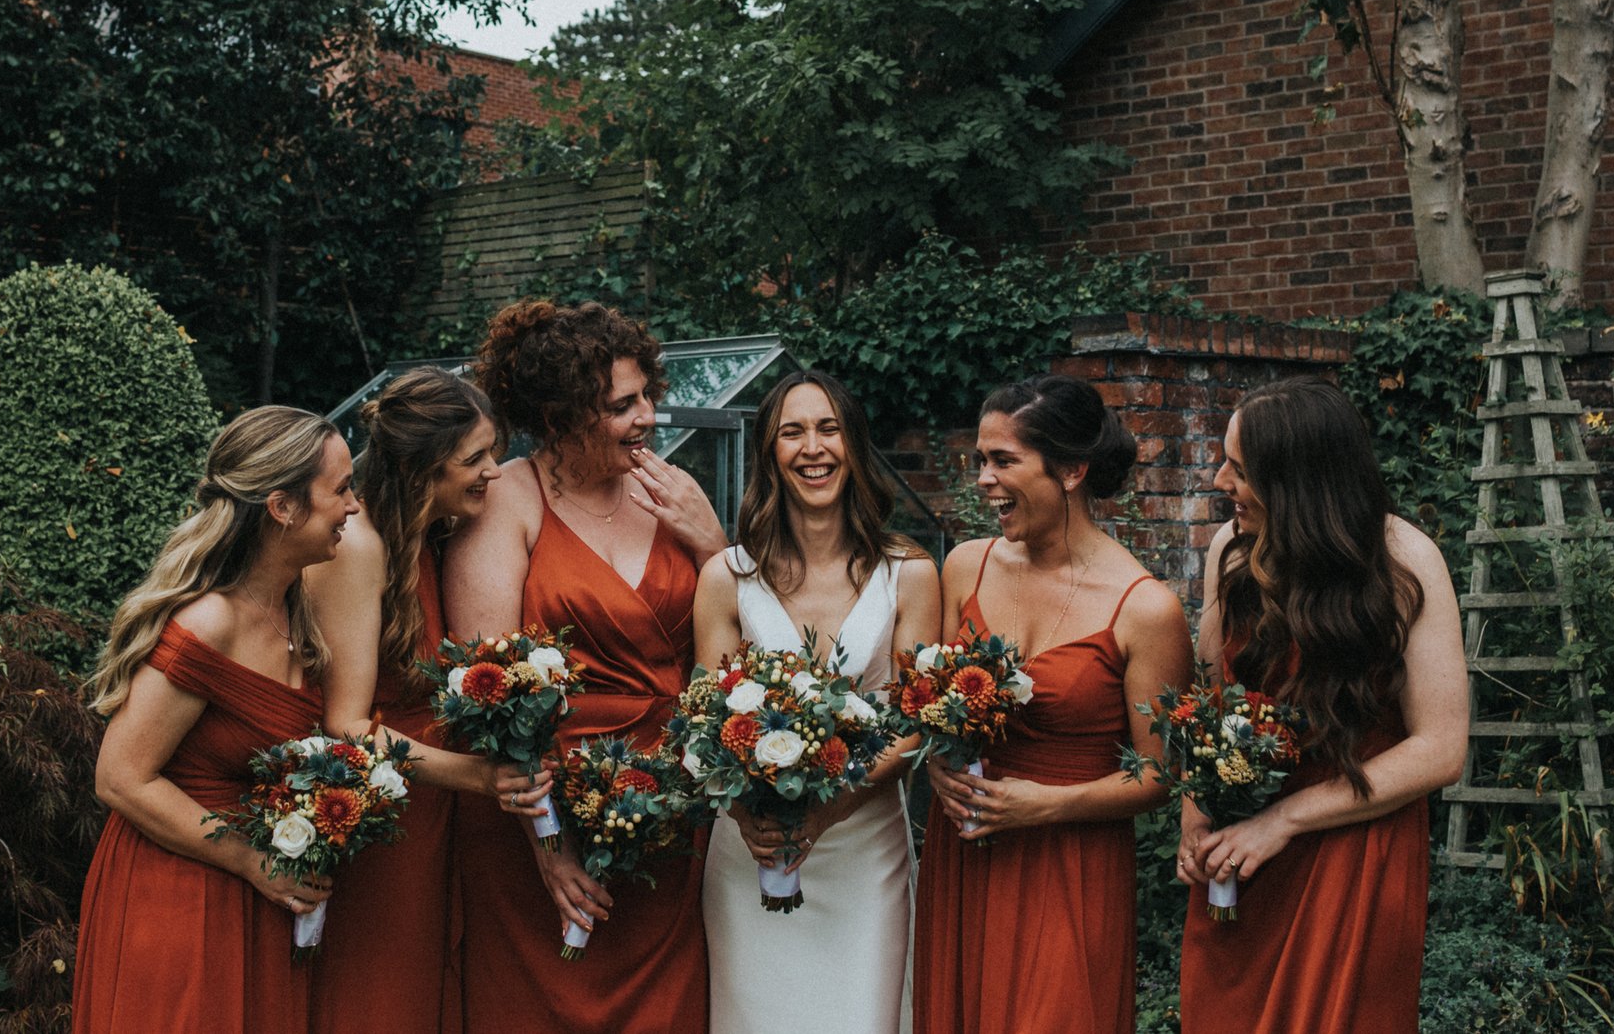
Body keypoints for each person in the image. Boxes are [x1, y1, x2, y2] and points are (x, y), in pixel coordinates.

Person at [443, 299, 728, 1034]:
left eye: (646, 395)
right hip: (540, 815)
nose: (649, 418)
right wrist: (550, 847)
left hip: (668, 810)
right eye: (621, 405)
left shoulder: (668, 491)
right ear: (561, 414)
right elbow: (488, 697)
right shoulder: (508, 497)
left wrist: (713, 545)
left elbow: (730, 650)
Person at [1178, 376, 1466, 1034]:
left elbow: (1441, 747)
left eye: (1240, 468)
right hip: (1242, 854)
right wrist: (1196, 818)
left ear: (1299, 482)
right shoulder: (1231, 549)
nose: (1220, 479)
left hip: (1354, 845)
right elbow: (1212, 701)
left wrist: (1284, 819)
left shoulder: (1404, 562)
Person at [912, 374, 1195, 1034]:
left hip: (1071, 866)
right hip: (967, 858)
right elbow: (925, 702)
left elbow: (1159, 775)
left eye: (1003, 460)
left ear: (1070, 469)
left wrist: (1046, 803)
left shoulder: (1146, 607)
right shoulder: (966, 566)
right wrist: (935, 766)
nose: (983, 477)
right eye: (980, 459)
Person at [74, 406, 358, 1034]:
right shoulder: (211, 622)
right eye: (340, 490)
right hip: (180, 890)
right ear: (282, 507)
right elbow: (120, 777)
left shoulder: (297, 614)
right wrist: (250, 861)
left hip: (256, 893)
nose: (353, 508)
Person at [694, 370, 940, 1034]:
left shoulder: (909, 573)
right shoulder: (727, 578)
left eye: (828, 428)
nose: (813, 447)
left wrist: (831, 809)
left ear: (853, 443)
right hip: (753, 851)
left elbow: (917, 725)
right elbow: (702, 727)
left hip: (866, 851)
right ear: (770, 451)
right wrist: (749, 814)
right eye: (793, 431)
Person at [302, 367, 536, 1034]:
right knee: (381, 1002)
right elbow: (344, 725)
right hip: (383, 825)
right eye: (474, 458)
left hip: (431, 815)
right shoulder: (361, 549)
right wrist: (480, 777)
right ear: (421, 468)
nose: (494, 470)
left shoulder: (428, 538)